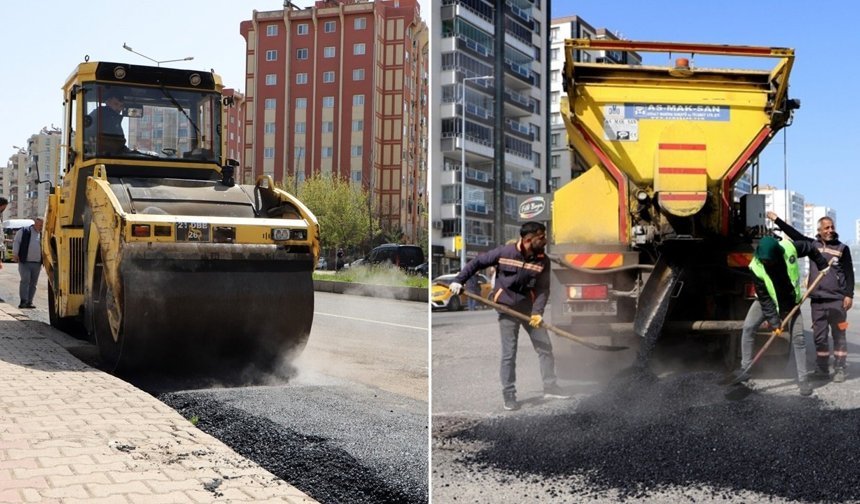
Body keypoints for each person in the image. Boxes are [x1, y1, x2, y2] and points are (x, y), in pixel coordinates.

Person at [448, 221, 569, 410]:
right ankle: (509, 395)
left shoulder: (542, 260)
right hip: (507, 308)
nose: (545, 241)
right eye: (541, 237)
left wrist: (537, 312)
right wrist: (458, 280)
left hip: (529, 310)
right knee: (509, 353)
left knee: (545, 347)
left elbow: (543, 289)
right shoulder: (505, 253)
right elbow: (477, 262)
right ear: (528, 239)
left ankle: (551, 386)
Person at [733, 235, 829, 396]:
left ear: (777, 254)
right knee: (748, 327)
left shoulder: (790, 248)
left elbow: (811, 247)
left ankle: (803, 379)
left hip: (792, 303)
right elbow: (764, 298)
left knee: (799, 339)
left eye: (769, 261)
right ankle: (746, 369)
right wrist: (775, 321)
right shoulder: (755, 267)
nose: (766, 263)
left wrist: (822, 264)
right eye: (763, 260)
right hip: (769, 300)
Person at [768, 211, 854, 382]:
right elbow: (795, 235)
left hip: (838, 301)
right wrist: (777, 220)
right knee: (820, 338)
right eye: (826, 227)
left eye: (832, 227)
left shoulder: (843, 248)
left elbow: (849, 273)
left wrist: (848, 295)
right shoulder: (812, 245)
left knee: (840, 336)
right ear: (819, 230)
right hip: (817, 302)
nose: (830, 230)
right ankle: (822, 369)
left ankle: (839, 369)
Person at [12, 218, 43, 309]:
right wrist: (15, 254)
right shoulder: (24, 231)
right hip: (25, 261)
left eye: (42, 225)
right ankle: (23, 301)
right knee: (25, 280)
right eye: (40, 225)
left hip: (37, 263)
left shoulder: (43, 233)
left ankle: (30, 302)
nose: (41, 227)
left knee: (33, 283)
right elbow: (16, 242)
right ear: (35, 224)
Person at [86, 88, 127, 154]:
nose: (118, 108)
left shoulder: (115, 119)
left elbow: (119, 143)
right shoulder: (101, 114)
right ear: (108, 102)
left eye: (121, 106)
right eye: (116, 104)